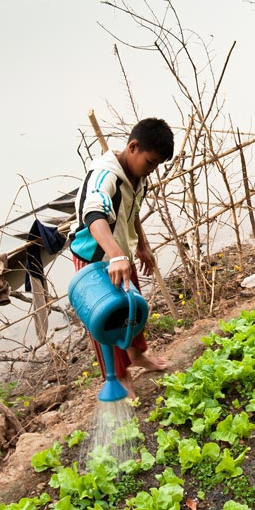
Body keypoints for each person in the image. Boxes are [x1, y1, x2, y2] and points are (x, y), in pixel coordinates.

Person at [70, 117, 176, 398]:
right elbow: (94, 215)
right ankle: (118, 376)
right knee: (107, 319)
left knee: (133, 308)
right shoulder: (104, 176)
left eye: (156, 165)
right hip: (95, 260)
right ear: (133, 147)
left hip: (120, 254)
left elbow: (132, 210)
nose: (152, 170)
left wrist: (141, 246)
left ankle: (137, 356)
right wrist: (116, 256)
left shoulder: (137, 176)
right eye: (150, 162)